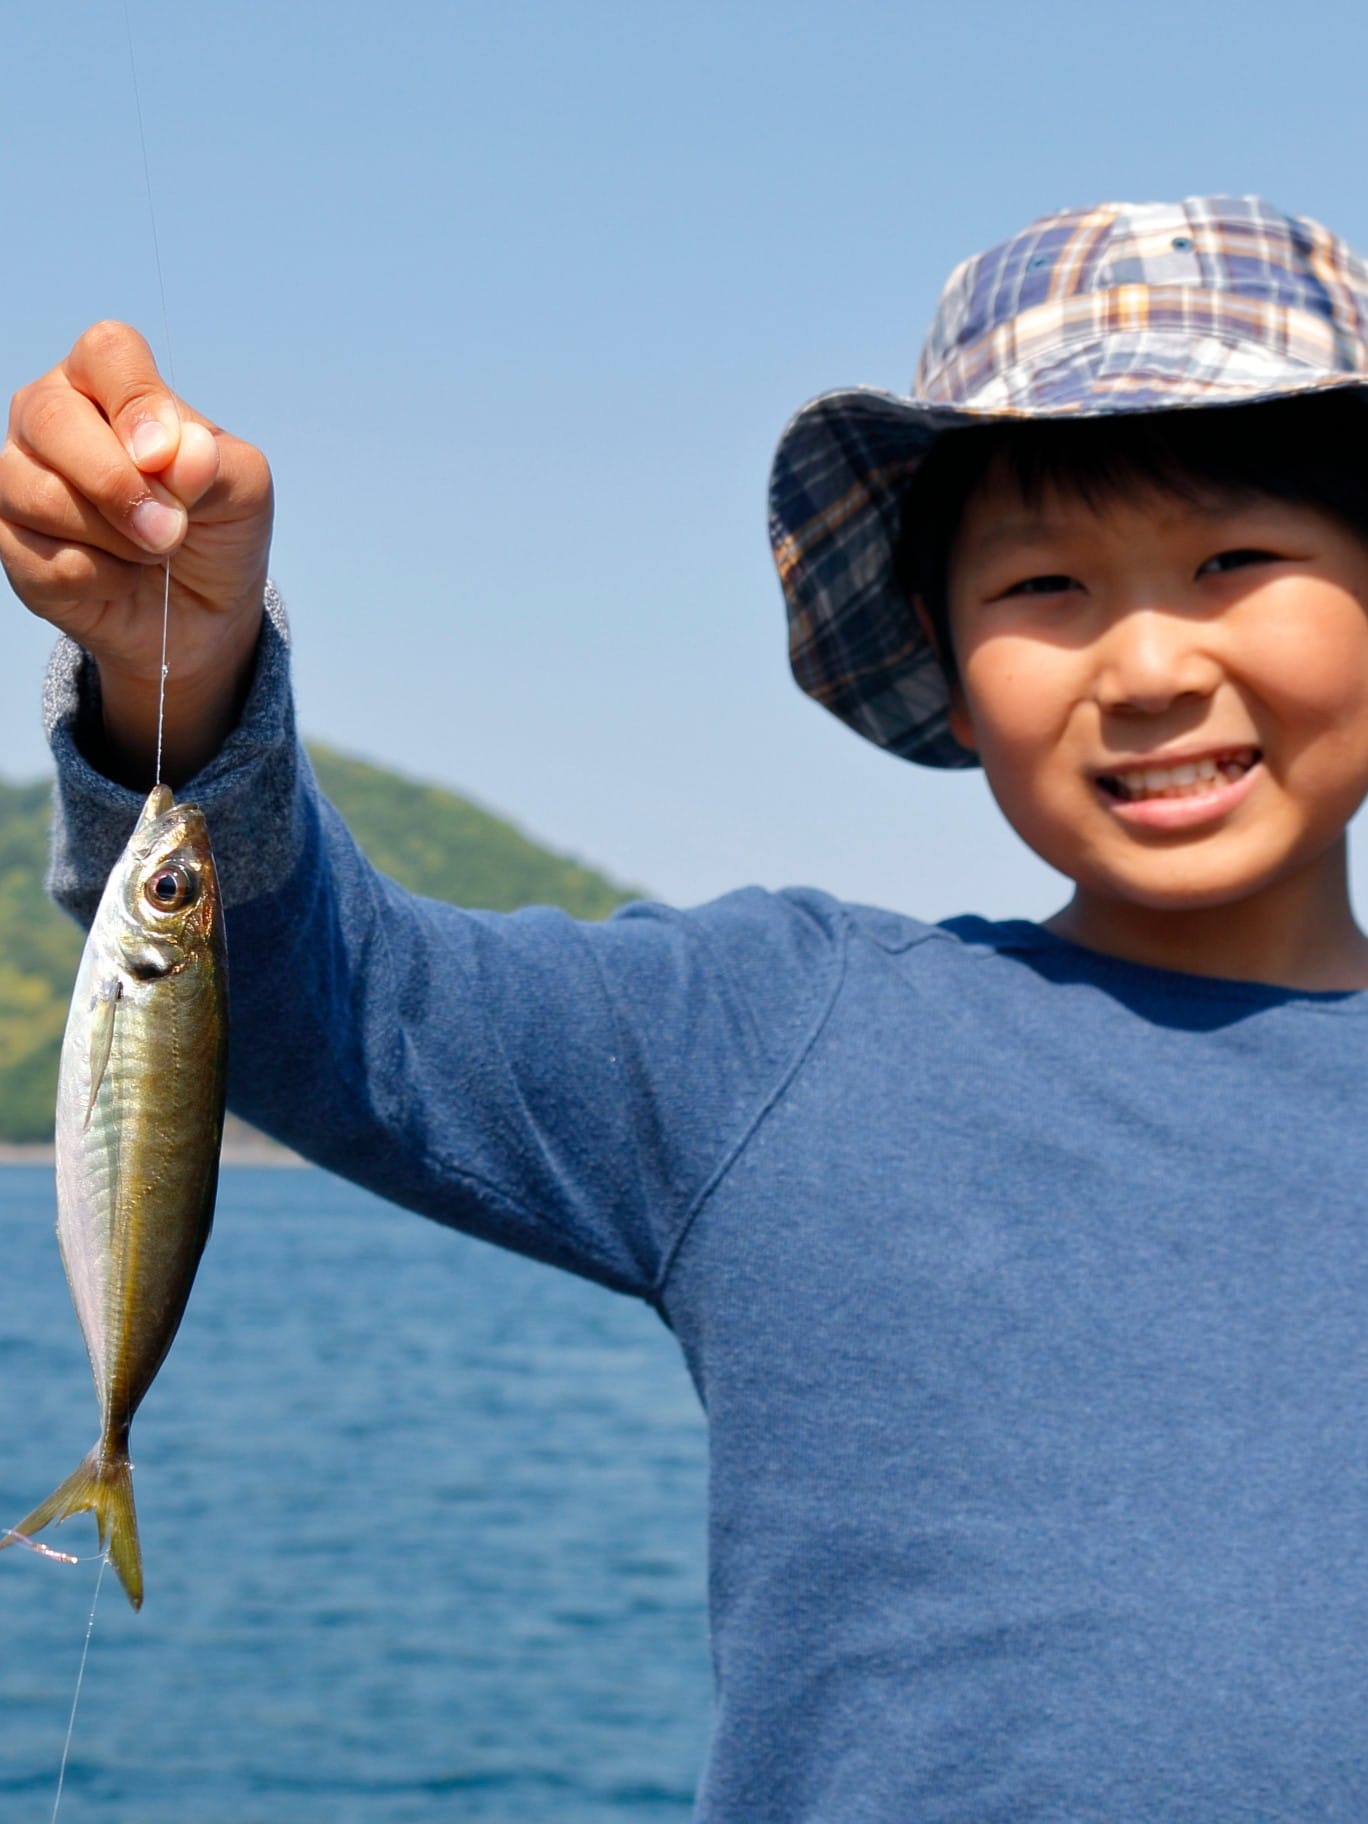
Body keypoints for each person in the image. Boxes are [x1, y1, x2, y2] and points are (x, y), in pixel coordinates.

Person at [6, 193, 1368, 1820]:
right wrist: (183, 669)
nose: (1144, 666)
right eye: (1048, 587)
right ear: (938, 647)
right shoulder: (785, 1039)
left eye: (1233, 560)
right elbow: (328, 1007)